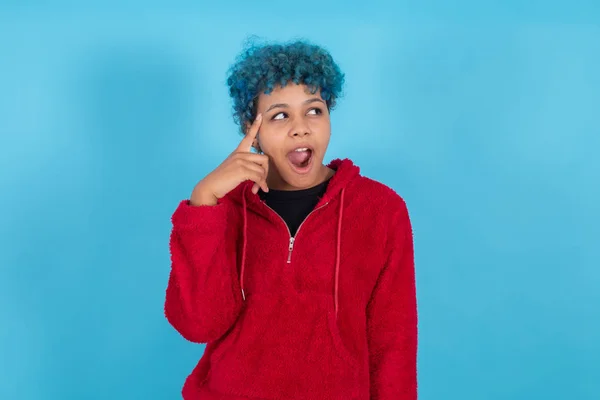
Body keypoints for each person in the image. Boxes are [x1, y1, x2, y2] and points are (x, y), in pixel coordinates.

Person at [164, 38, 418, 400]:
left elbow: (394, 345)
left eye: (314, 110)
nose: (301, 128)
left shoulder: (380, 209)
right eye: (280, 115)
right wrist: (204, 201)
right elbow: (198, 323)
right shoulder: (225, 209)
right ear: (253, 131)